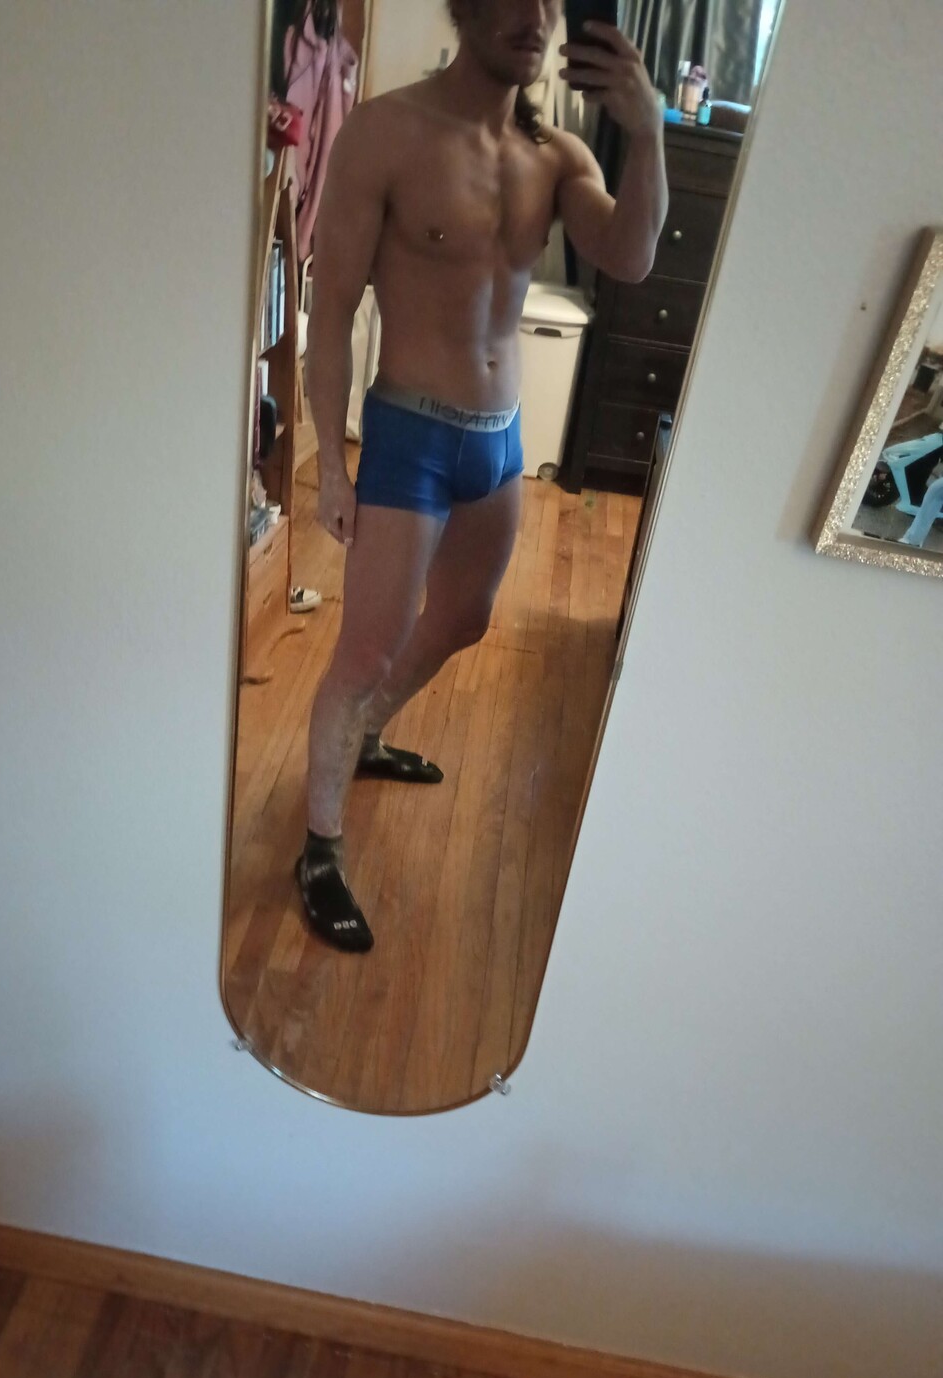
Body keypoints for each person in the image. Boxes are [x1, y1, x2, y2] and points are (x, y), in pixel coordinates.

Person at [296, 0, 669, 952]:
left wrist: (649, 132)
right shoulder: (386, 132)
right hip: (409, 434)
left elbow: (629, 257)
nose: (536, 17)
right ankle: (318, 847)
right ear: (464, 8)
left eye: (550, 2)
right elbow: (330, 312)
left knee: (465, 620)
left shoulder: (558, 157)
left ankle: (364, 736)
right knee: (365, 651)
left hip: (501, 439)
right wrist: (331, 463)